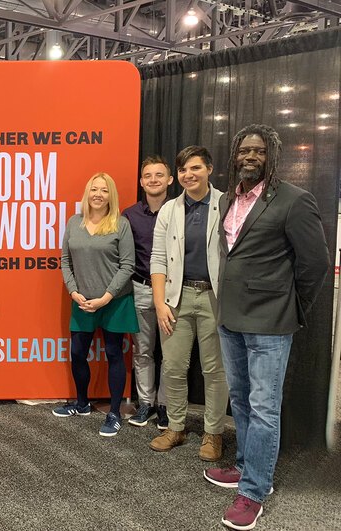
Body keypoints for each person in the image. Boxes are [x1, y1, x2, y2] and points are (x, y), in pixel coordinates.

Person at [204, 125, 328, 531]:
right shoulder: (227, 199)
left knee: (263, 409)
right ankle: (245, 467)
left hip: (271, 324)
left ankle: (254, 491)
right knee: (239, 401)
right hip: (231, 318)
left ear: (273, 155)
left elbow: (315, 264)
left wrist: (292, 306)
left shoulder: (294, 200)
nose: (249, 156)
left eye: (258, 150)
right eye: (244, 150)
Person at [148, 146, 228, 462]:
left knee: (215, 370)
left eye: (195, 168)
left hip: (214, 298)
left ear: (209, 169)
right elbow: (157, 258)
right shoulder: (170, 210)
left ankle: (213, 434)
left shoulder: (226, 204)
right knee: (174, 367)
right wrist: (159, 302)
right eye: (183, 170)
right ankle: (176, 427)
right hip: (175, 298)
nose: (188, 175)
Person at [53, 172, 138, 437]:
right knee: (78, 353)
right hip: (82, 300)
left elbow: (128, 265)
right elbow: (65, 260)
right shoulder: (74, 222)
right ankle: (82, 403)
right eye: (94, 190)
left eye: (104, 190)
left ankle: (114, 412)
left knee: (114, 354)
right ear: (87, 193)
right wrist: (73, 291)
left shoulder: (120, 224)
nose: (98, 195)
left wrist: (106, 297)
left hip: (114, 300)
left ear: (110, 196)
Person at [122, 156, 173, 430]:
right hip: (140, 288)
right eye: (148, 175)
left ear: (169, 180)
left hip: (172, 293)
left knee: (171, 353)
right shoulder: (129, 215)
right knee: (142, 351)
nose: (153, 179)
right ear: (142, 182)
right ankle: (145, 404)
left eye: (159, 175)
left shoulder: (181, 211)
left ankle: (165, 406)